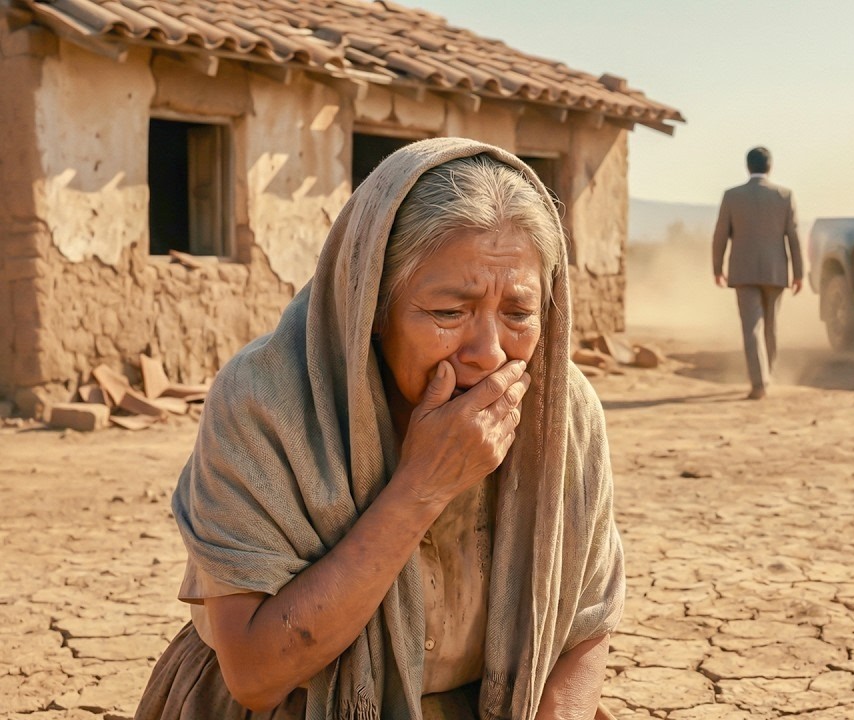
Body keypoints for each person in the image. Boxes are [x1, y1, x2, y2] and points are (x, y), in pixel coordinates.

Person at [135, 138, 625, 720]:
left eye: (519, 314)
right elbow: (256, 675)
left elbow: (585, 627)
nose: (489, 353)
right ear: (369, 306)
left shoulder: (563, 411)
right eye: (449, 312)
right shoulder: (265, 402)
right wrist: (422, 486)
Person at [711, 146, 804, 400]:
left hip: (742, 271)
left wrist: (717, 268)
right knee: (771, 326)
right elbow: (794, 237)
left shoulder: (732, 196)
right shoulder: (784, 195)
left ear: (748, 166)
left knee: (752, 327)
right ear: (770, 166)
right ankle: (767, 374)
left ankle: (759, 381)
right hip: (776, 271)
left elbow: (720, 235)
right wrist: (799, 273)